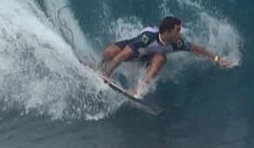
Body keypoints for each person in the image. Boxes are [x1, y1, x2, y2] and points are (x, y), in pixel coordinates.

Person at [99, 16, 233, 94]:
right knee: (108, 52)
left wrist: (217, 59)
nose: (179, 34)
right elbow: (123, 55)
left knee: (160, 57)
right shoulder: (147, 38)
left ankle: (137, 89)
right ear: (167, 32)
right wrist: (107, 74)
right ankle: (99, 68)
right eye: (177, 31)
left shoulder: (176, 43)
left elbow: (196, 49)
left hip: (149, 59)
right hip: (135, 51)